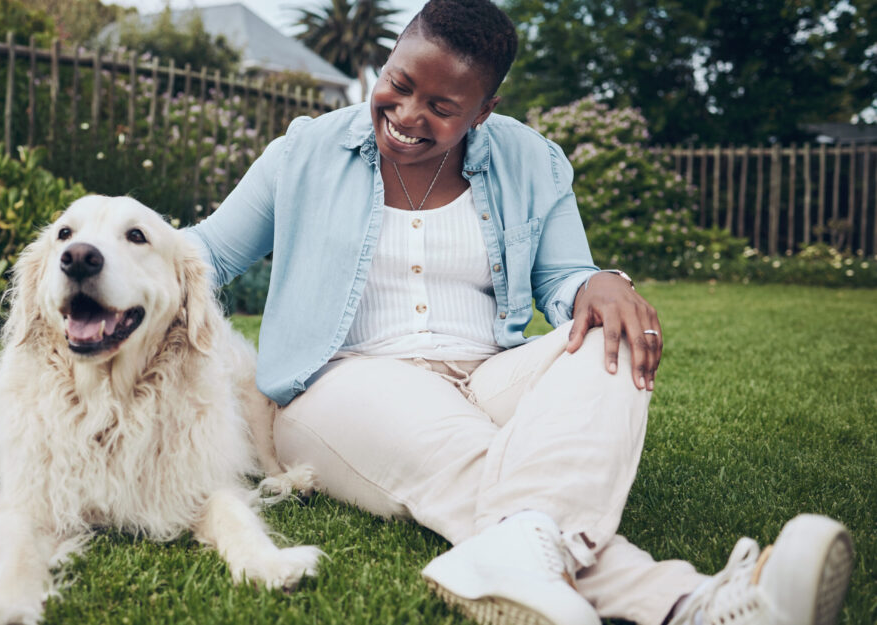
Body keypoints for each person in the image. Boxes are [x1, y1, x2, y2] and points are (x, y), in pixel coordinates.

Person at [184, 1, 854, 623]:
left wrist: (600, 283)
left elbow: (568, 276)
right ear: (389, 60)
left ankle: (519, 552)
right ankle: (695, 602)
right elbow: (206, 251)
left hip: (484, 375)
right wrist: (102, 254)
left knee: (611, 333)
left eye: (442, 105)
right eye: (400, 82)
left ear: (483, 110)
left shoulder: (529, 159)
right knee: (479, 463)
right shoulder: (305, 152)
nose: (409, 113)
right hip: (342, 383)